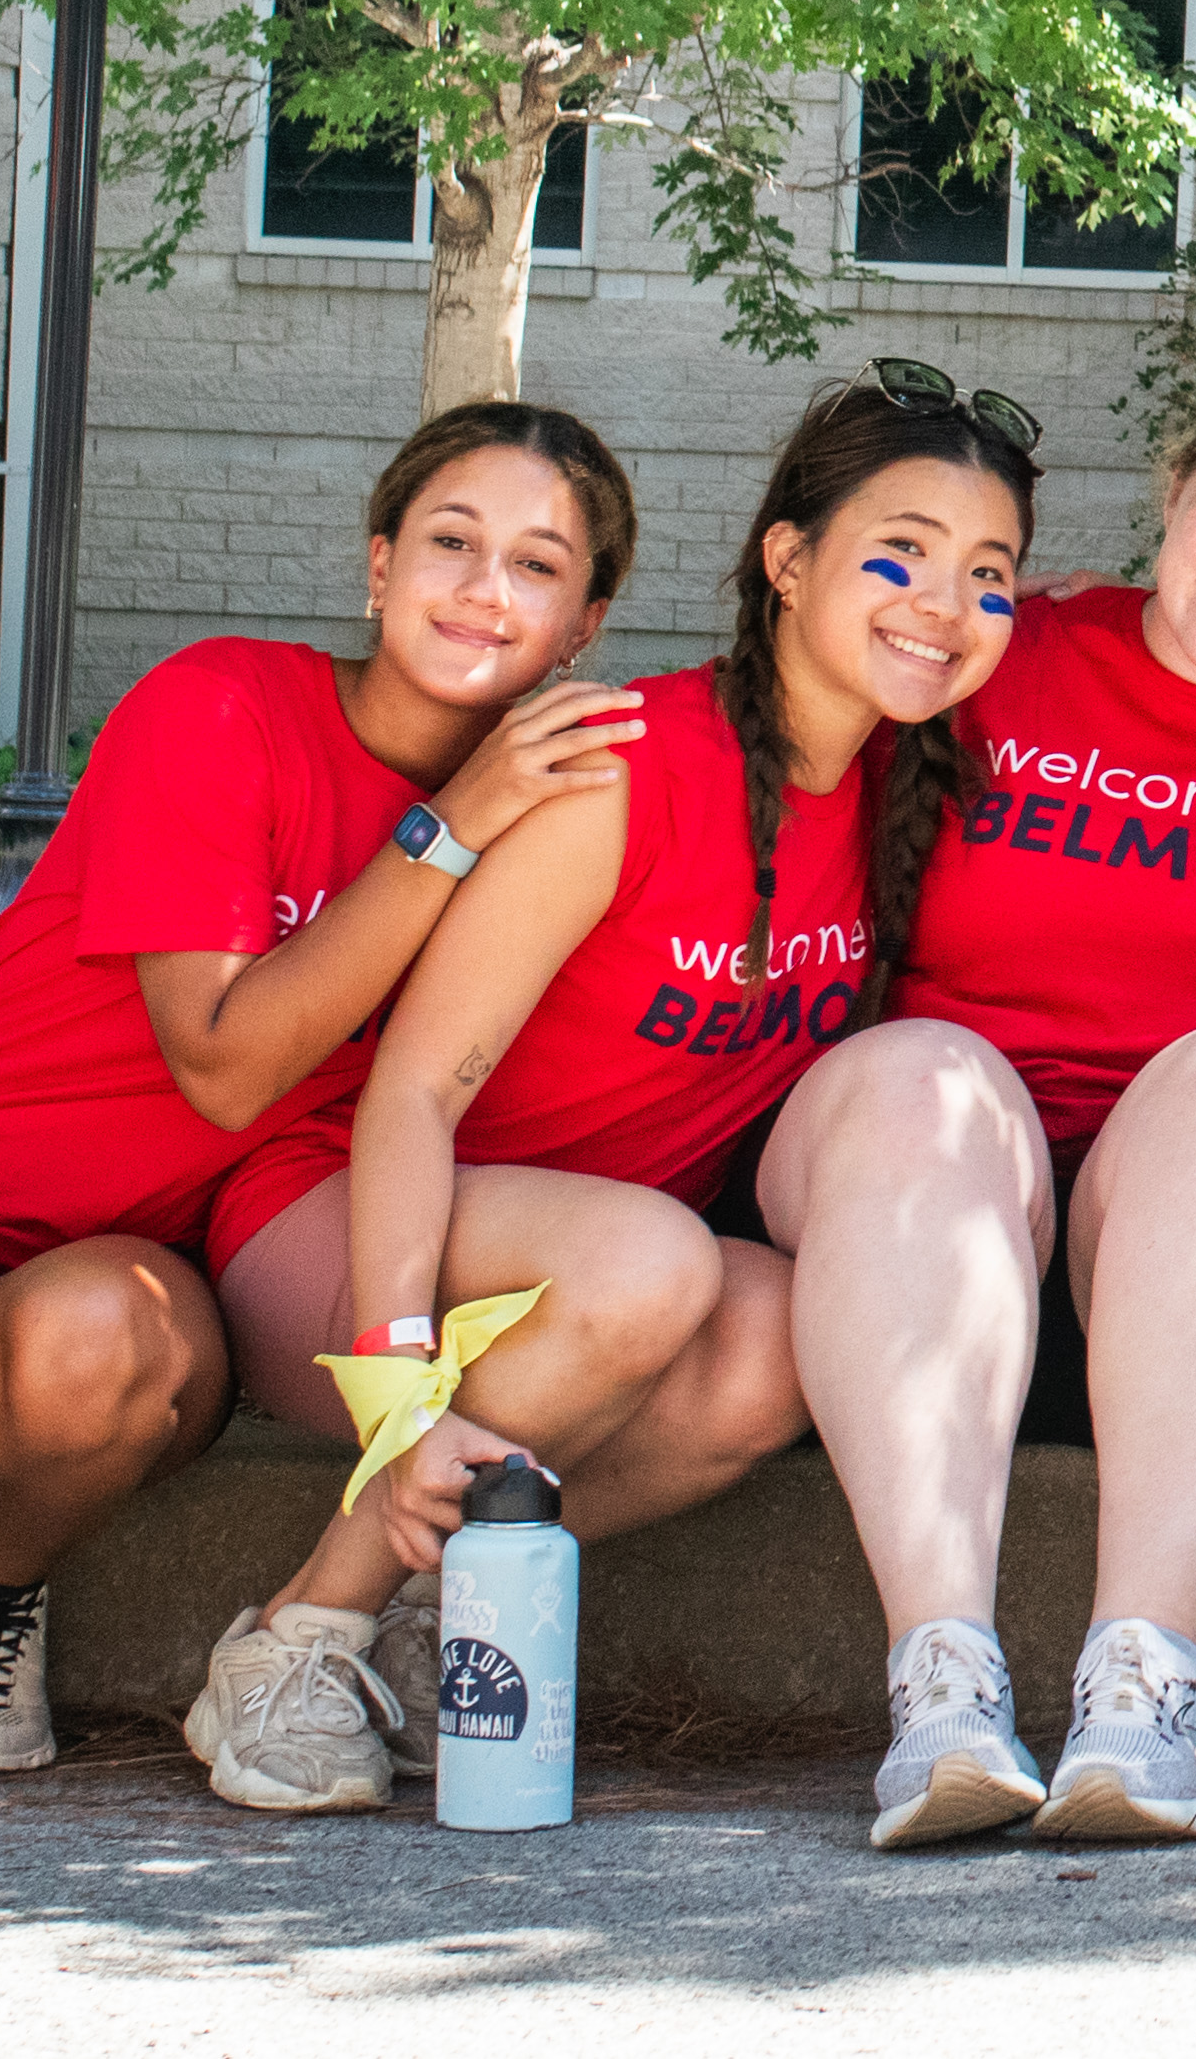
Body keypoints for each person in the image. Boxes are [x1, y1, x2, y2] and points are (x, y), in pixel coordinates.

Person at [0, 407, 645, 1793]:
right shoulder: (222, 704)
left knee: (96, 1344)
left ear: (584, 624)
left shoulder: (545, 816)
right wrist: (448, 823)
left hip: (146, 1255)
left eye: (537, 564)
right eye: (450, 540)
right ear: (378, 566)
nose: (485, 587)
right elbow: (225, 1055)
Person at [178, 366, 1039, 1813]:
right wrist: (396, 1384)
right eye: (899, 551)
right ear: (787, 557)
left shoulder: (908, 790)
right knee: (656, 1262)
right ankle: (298, 1635)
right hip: (344, 1226)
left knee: (774, 1340)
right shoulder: (623, 761)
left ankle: (429, 1608)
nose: (940, 602)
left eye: (987, 574)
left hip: (577, 1273)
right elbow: (409, 1094)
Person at [757, 368, 1196, 1850]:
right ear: (1173, 491)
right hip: (928, 1200)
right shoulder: (1004, 651)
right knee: (922, 1073)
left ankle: (1139, 1683)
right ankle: (942, 1685)